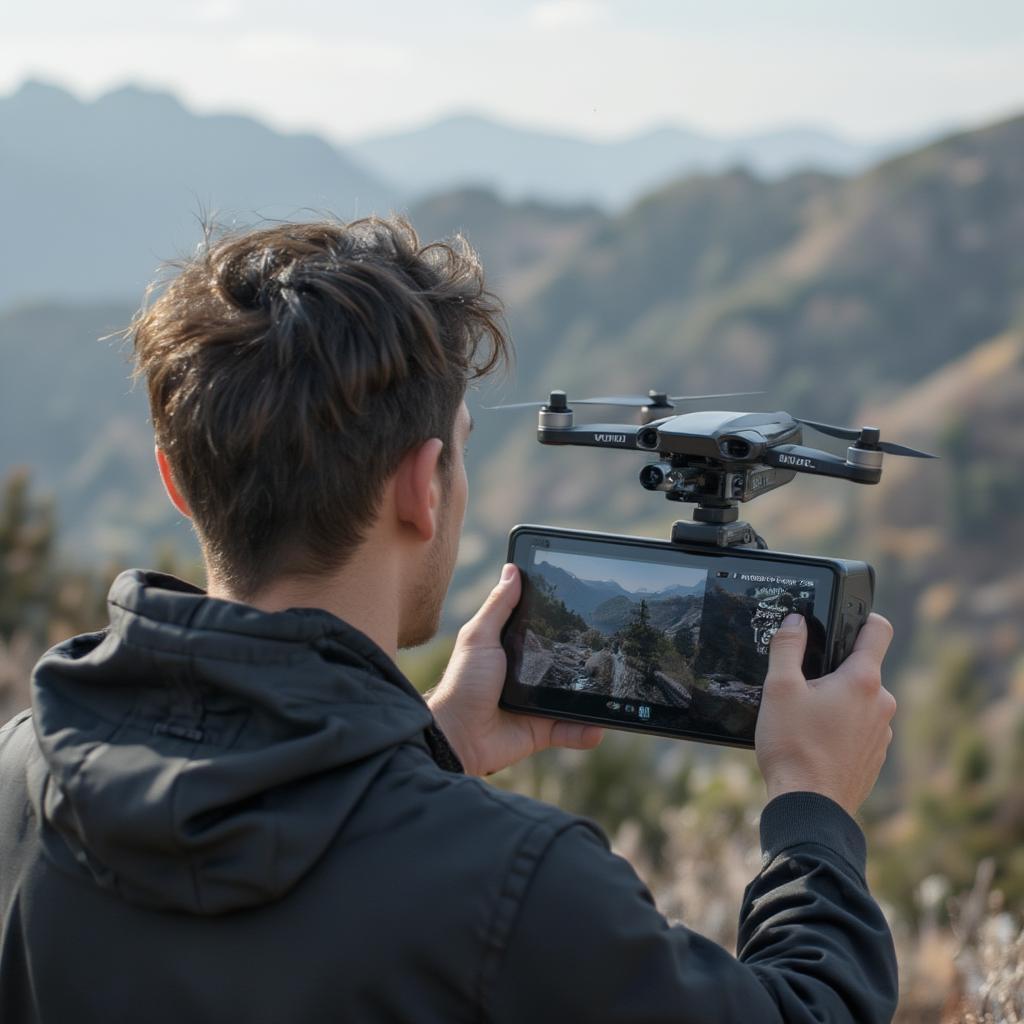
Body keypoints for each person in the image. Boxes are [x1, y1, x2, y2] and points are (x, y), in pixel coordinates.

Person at [0, 217, 899, 1023]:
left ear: (176, 482)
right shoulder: (514, 889)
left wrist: (428, 748)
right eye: (460, 454)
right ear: (421, 488)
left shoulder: (24, 771)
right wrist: (812, 804)